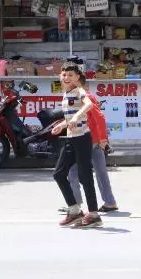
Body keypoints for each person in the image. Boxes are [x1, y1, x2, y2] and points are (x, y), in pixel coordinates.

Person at [52, 62, 102, 228]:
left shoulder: (79, 91)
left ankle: (94, 215)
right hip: (70, 138)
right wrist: (63, 125)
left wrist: (74, 118)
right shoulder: (65, 95)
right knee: (59, 174)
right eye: (64, 75)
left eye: (70, 75)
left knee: (84, 176)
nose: (66, 78)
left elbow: (88, 105)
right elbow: (71, 117)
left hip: (82, 138)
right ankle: (74, 210)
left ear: (77, 78)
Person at [59, 74, 118, 214]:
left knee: (72, 172)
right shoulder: (79, 97)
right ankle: (110, 202)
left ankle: (75, 204)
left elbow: (100, 118)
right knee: (100, 172)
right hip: (93, 139)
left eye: (70, 79)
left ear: (77, 82)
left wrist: (103, 139)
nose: (66, 81)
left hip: (86, 139)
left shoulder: (86, 97)